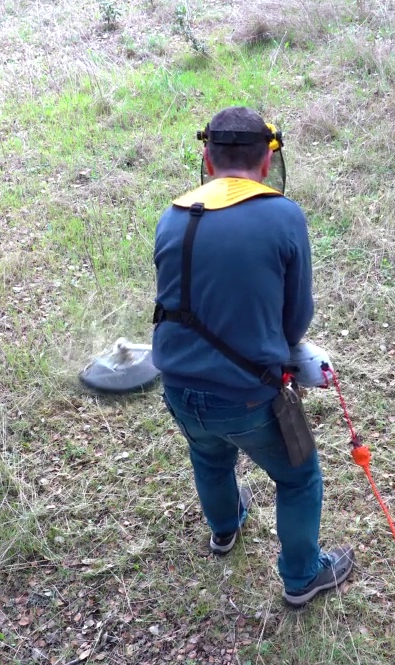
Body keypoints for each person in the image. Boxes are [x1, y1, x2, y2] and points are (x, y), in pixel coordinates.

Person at [150, 106, 354, 608]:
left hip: (176, 388)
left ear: (206, 158)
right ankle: (303, 576)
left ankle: (225, 529)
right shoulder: (284, 215)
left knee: (209, 456)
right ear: (267, 164)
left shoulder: (171, 216)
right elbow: (296, 318)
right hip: (246, 397)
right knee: (299, 475)